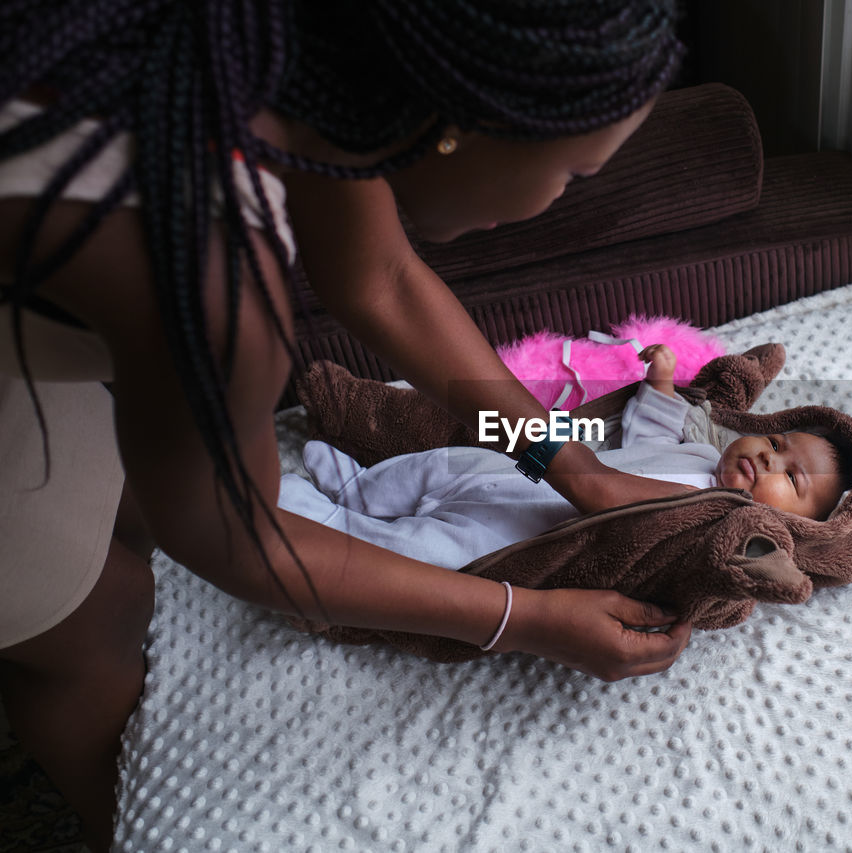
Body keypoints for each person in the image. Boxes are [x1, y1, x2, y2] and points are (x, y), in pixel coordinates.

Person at [0, 2, 690, 848]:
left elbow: (382, 280)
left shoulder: (316, 62)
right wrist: (529, 619)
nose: (559, 198)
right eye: (574, 173)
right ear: (461, 126)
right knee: (95, 614)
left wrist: (573, 467)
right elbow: (247, 542)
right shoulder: (215, 280)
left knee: (123, 501)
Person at [279, 343, 852, 571]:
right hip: (522, 469)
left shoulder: (723, 523)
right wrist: (660, 384)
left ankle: (337, 524)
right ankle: (360, 490)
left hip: (522, 532)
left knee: (430, 554)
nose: (770, 459)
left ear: (794, 523)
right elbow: (644, 430)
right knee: (441, 462)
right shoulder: (699, 447)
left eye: (791, 477)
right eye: (777, 444)